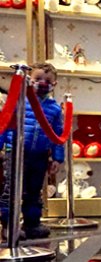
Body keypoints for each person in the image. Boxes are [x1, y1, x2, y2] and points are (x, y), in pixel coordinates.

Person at [0, 62, 64, 240]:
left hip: (40, 155)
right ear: (29, 80)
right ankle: (9, 224)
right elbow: (4, 125)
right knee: (12, 189)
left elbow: (58, 135)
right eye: (38, 79)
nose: (42, 83)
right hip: (16, 153)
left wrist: (57, 158)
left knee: (35, 191)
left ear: (54, 84)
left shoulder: (55, 109)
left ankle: (32, 223)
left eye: (47, 80)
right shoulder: (18, 102)